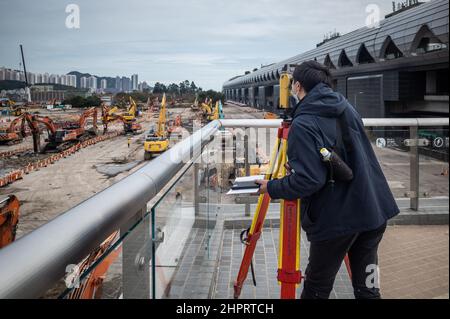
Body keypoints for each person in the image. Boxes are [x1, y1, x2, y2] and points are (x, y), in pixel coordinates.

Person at [256, 61, 399, 299]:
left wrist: (270, 186)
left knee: (316, 289)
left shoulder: (303, 123)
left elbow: (308, 181)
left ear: (298, 86)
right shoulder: (347, 108)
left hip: (338, 221)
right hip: (373, 212)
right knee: (368, 289)